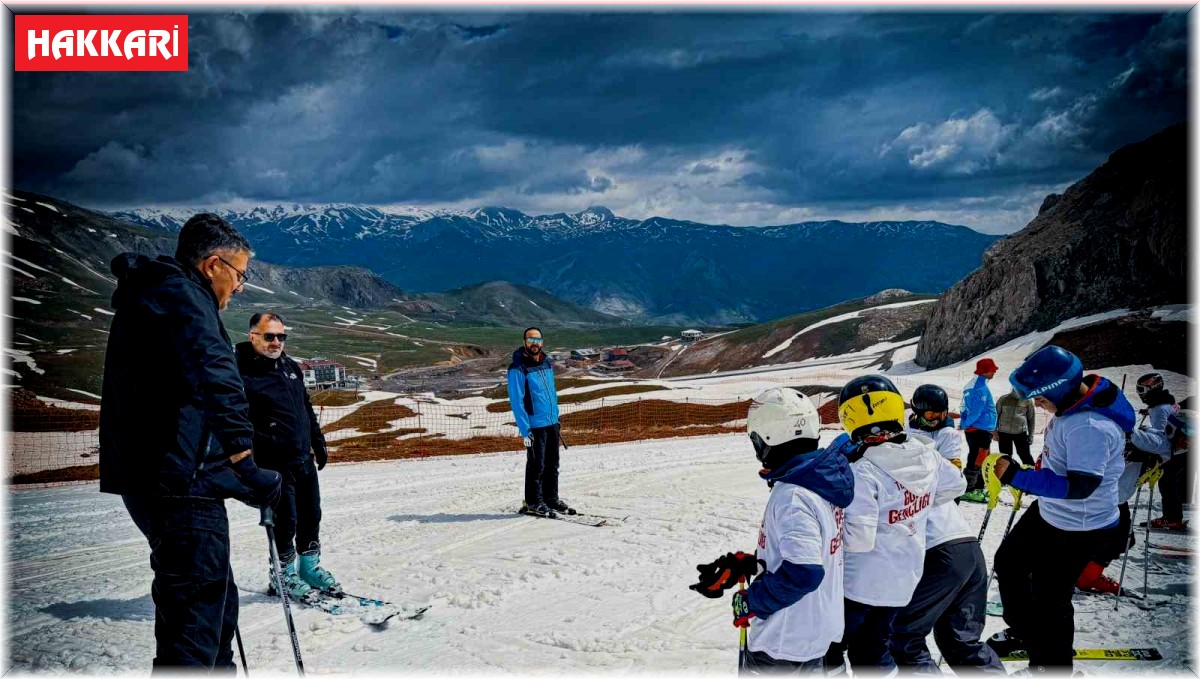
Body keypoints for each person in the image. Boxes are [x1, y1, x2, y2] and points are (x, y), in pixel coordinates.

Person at [99, 214, 282, 670]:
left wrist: (231, 473)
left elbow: (179, 401)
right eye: (239, 274)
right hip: (181, 485)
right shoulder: (182, 297)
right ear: (213, 265)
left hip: (166, 475)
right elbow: (215, 375)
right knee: (195, 624)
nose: (240, 287)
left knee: (215, 606)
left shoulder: (159, 295)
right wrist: (244, 462)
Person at [986, 345, 1134, 671]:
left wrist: (1016, 477)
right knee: (1009, 563)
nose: (1036, 404)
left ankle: (1051, 666)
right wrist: (1038, 468)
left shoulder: (1089, 427)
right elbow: (1060, 460)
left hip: (1080, 525)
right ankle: (1027, 631)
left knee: (1050, 597)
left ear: (1059, 389)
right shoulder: (1070, 409)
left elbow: (1080, 487)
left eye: (1040, 397)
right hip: (1051, 511)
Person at [688, 388, 855, 674]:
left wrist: (752, 601)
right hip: (813, 633)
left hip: (783, 639)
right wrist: (753, 562)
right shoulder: (820, 484)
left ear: (769, 440)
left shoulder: (794, 496)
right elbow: (809, 548)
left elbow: (804, 572)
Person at [825, 376, 966, 674]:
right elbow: (956, 485)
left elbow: (859, 539)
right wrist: (919, 505)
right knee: (873, 650)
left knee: (830, 647)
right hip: (904, 578)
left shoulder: (864, 471)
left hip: (860, 584)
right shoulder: (926, 452)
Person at [891, 385, 1003, 674]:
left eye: (942, 413)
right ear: (916, 411)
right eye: (930, 414)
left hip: (941, 551)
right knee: (959, 640)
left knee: (903, 636)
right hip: (966, 549)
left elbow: (954, 481)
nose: (937, 419)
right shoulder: (902, 433)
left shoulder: (946, 437)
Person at [236, 312, 337, 600]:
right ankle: (282, 575)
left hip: (302, 458)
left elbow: (304, 407)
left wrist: (318, 442)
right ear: (253, 336)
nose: (276, 342)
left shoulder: (290, 367)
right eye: (269, 336)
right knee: (286, 520)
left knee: (311, 515)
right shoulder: (241, 371)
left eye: (281, 336)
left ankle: (308, 568)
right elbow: (234, 419)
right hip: (273, 464)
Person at [508, 327, 566, 518]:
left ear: (542, 342)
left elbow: (551, 393)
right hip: (535, 426)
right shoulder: (518, 368)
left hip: (551, 423)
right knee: (536, 466)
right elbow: (517, 402)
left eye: (538, 340)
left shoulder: (546, 363)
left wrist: (555, 419)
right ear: (525, 342)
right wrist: (525, 430)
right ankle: (533, 502)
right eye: (531, 340)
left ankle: (550, 498)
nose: (535, 343)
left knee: (552, 464)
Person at [1130, 372, 1186, 530]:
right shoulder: (1166, 403)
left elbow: (1160, 438)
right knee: (1171, 484)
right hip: (1181, 450)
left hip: (1173, 453)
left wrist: (1145, 431)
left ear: (1153, 388)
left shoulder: (1159, 409)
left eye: (1142, 390)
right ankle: (1173, 517)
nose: (1140, 394)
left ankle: (1173, 519)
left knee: (1167, 484)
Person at [959, 358, 999, 502]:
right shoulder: (979, 389)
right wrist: (965, 424)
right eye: (992, 369)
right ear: (985, 371)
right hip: (978, 429)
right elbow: (975, 411)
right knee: (978, 458)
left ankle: (978, 487)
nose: (995, 371)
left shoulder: (978, 385)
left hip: (981, 428)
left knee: (982, 457)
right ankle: (971, 489)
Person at [995, 389, 1037, 466]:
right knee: (1005, 457)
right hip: (1004, 433)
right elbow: (995, 416)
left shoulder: (1028, 401)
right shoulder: (1003, 399)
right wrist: (994, 431)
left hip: (1020, 433)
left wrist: (1031, 435)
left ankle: (1032, 473)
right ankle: (1007, 475)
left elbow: (1031, 419)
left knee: (1025, 455)